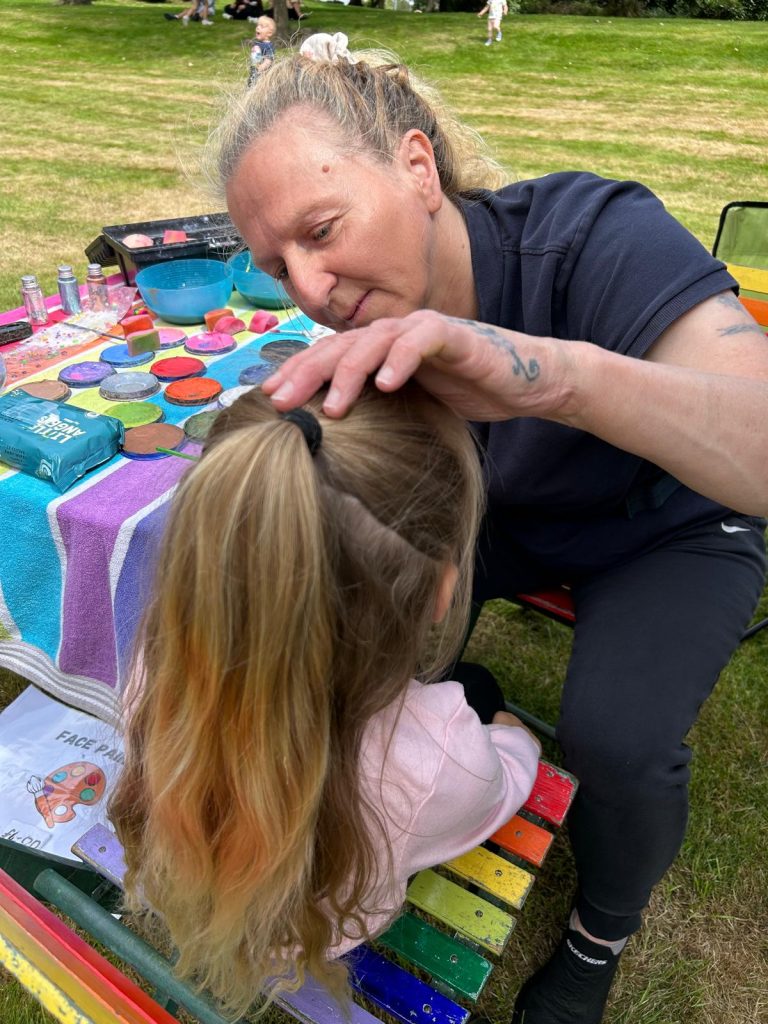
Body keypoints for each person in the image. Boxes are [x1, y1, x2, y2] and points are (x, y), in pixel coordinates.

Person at [208, 38, 768, 1024]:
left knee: (615, 736)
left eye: (323, 227)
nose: (307, 287)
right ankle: (449, 725)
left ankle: (599, 934)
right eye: (276, 263)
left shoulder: (596, 236)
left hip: (672, 518)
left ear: (417, 167)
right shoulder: (365, 317)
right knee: (360, 637)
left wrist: (550, 374)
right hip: (502, 513)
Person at [108, 384, 542, 1019]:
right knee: (480, 688)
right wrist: (513, 738)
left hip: (200, 884)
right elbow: (499, 792)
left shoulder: (154, 669)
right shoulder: (440, 756)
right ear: (443, 589)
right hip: (326, 928)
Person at [247, 15, 276, 84]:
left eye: (262, 27)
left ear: (269, 33)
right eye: (257, 26)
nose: (258, 28)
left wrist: (259, 69)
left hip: (263, 75)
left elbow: (268, 60)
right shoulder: (258, 43)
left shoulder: (268, 46)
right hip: (254, 71)